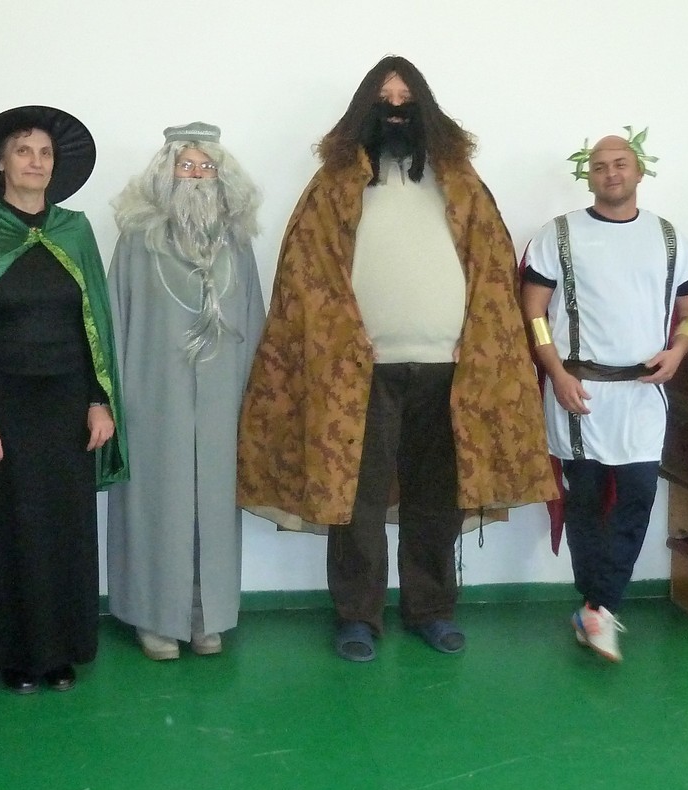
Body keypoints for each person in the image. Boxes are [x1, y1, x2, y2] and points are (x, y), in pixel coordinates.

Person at [237, 56, 555, 663]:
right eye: (385, 98)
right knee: (355, 499)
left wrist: (478, 338)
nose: (397, 109)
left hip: (448, 370)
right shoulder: (334, 184)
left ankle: (431, 610)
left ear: (425, 108)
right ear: (366, 108)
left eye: (408, 99)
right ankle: (357, 616)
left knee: (435, 498)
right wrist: (342, 341)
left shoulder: (459, 180)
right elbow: (306, 276)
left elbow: (493, 268)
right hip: (359, 373)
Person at [0, 106, 127, 694]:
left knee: (64, 527)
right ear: (1, 164)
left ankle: (61, 649)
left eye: (44, 152)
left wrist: (99, 400)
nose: (35, 162)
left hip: (66, 408)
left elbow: (95, 324)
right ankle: (11, 652)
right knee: (4, 530)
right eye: (23, 150)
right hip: (0, 409)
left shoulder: (75, 231)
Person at [519, 130, 688, 664]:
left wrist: (679, 350)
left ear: (638, 170)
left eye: (620, 163)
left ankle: (597, 608)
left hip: (644, 392)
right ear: (589, 175)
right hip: (580, 390)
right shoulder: (559, 235)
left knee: (638, 497)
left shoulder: (668, 237)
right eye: (600, 166)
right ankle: (598, 608)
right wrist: (555, 371)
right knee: (585, 503)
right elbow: (533, 310)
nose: (611, 173)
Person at [106, 122, 264, 661]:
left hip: (220, 400)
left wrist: (250, 398)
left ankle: (205, 614)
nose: (196, 176)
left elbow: (253, 320)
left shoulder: (237, 244)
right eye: (186, 165)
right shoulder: (136, 241)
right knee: (157, 507)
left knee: (212, 509)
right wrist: (113, 399)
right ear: (166, 173)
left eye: (206, 167)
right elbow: (114, 320)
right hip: (152, 398)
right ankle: (153, 617)